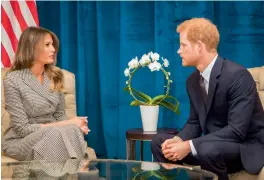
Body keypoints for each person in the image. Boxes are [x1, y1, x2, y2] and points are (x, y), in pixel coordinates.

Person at [151, 18, 264, 180]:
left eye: (183, 45)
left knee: (206, 149)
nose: (178, 51)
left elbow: (236, 131)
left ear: (199, 46)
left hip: (245, 148)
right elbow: (194, 123)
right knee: (160, 142)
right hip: (209, 147)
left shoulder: (238, 76)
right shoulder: (192, 81)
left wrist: (189, 146)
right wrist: (178, 140)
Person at [2, 26, 90, 161]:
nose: (53, 49)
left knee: (72, 130)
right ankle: (80, 169)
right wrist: (64, 125)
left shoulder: (56, 75)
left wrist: (75, 124)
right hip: (21, 140)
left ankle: (77, 170)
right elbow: (22, 129)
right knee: (55, 133)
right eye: (47, 45)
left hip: (54, 137)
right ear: (32, 48)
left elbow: (60, 115)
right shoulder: (13, 80)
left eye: (53, 45)